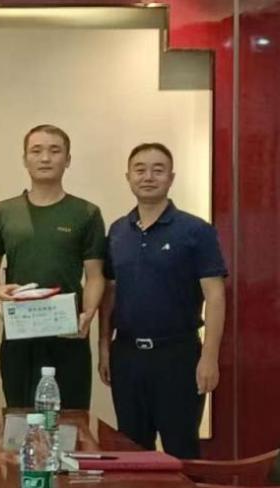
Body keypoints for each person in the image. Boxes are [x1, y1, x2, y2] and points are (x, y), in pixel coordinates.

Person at [99, 142, 226, 459]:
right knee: (132, 451)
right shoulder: (117, 231)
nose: (148, 177)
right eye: (140, 170)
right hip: (127, 355)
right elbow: (109, 294)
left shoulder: (196, 230)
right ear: (128, 177)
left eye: (158, 170)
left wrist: (209, 358)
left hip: (178, 356)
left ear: (171, 178)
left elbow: (215, 295)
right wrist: (104, 347)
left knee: (181, 451)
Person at [0, 124, 106, 409]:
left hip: (68, 333)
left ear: (67, 160)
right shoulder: (4, 211)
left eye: (54, 151)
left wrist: (87, 314)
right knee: (19, 416)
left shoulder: (86, 213)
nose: (45, 158)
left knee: (70, 418)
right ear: (25, 159)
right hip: (19, 331)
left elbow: (95, 275)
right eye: (36, 151)